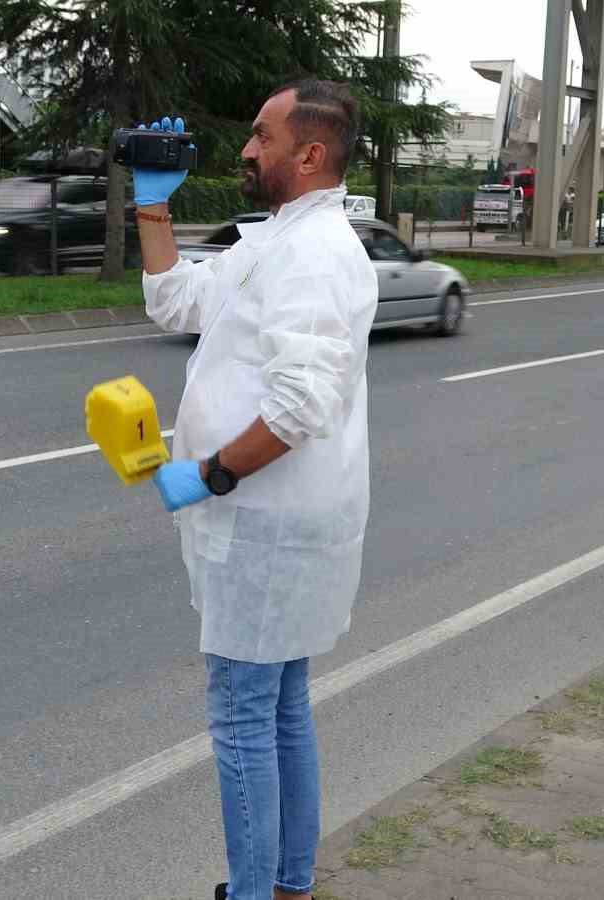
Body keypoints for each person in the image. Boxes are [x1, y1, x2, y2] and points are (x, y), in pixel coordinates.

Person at [131, 81, 376, 900]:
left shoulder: (313, 253)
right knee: (280, 709)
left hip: (265, 525)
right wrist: (151, 205)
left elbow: (301, 403)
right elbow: (174, 300)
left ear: (308, 154)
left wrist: (209, 473)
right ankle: (287, 885)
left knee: (243, 717)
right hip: (279, 524)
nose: (245, 149)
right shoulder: (272, 240)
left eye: (262, 136)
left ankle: (253, 893)